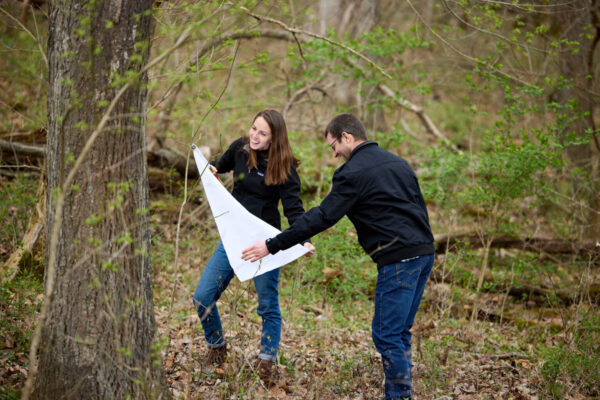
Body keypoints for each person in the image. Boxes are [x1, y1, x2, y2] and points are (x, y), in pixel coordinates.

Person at [242, 113, 435, 400]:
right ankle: (402, 392)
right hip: (424, 253)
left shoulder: (353, 172)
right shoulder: (398, 163)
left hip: (399, 259)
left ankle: (399, 396)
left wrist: (273, 244)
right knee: (400, 331)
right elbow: (419, 207)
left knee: (386, 334)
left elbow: (322, 216)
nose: (334, 154)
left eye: (334, 146)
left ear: (347, 137)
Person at [193, 109, 315, 385]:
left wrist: (303, 238)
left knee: (267, 305)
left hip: (264, 243)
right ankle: (216, 346)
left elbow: (294, 209)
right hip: (232, 238)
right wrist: (211, 167)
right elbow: (219, 165)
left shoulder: (284, 165)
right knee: (202, 296)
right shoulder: (240, 148)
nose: (255, 136)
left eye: (263, 133)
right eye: (253, 129)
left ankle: (266, 359)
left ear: (275, 138)